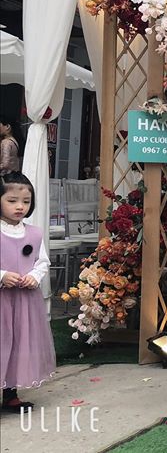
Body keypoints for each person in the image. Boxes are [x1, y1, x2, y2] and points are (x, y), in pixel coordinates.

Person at [0, 172, 56, 412]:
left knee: (19, 345)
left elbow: (42, 261)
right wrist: (2, 275)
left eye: (26, 201)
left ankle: (10, 394)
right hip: (2, 300)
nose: (20, 207)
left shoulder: (34, 233)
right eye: (12, 201)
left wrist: (34, 276)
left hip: (24, 301)